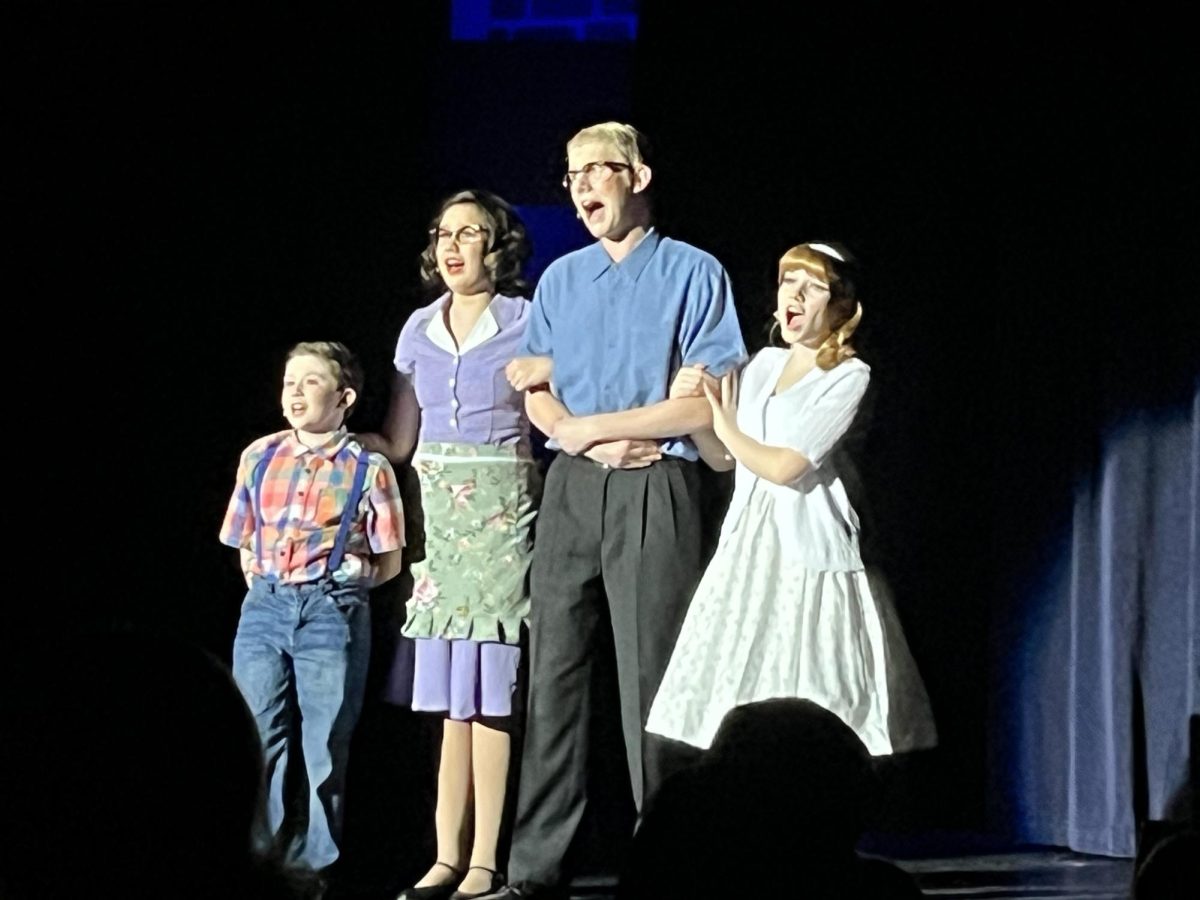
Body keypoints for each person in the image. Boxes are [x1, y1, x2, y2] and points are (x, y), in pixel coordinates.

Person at [484, 122, 747, 900]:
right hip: (574, 485)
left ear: (637, 176)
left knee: (653, 677)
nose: (584, 186)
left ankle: (666, 860)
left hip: (657, 484)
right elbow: (534, 385)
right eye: (572, 176)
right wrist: (577, 436)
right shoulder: (563, 279)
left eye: (599, 170)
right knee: (555, 675)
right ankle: (537, 867)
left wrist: (594, 427)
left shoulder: (693, 272)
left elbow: (695, 405)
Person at [646, 241, 936, 757]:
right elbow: (725, 459)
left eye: (813, 286)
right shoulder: (760, 365)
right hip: (747, 544)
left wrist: (721, 422)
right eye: (787, 283)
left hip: (806, 548)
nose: (795, 296)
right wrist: (692, 406)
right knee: (737, 693)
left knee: (810, 686)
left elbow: (785, 466)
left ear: (841, 306)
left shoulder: (848, 375)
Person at [363, 190, 540, 900]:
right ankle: (444, 854)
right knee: (449, 704)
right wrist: (330, 449)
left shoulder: (527, 321)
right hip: (439, 516)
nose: (454, 246)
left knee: (490, 695)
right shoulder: (417, 329)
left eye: (472, 233)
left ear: (499, 246)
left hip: (502, 512)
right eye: (444, 233)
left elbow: (546, 419)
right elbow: (401, 438)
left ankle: (485, 860)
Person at [220, 340, 405, 872]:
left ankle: (315, 867)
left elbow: (389, 558)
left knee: (325, 743)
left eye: (311, 382)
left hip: (332, 609)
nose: (295, 392)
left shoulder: (368, 469)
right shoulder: (260, 456)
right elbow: (243, 538)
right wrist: (266, 588)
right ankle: (265, 860)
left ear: (344, 396)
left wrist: (340, 591)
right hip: (266, 607)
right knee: (259, 732)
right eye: (289, 382)